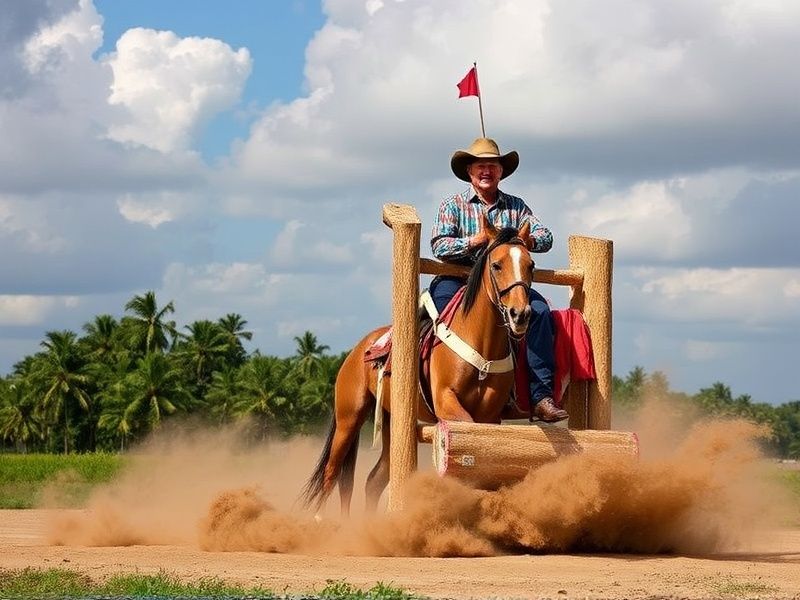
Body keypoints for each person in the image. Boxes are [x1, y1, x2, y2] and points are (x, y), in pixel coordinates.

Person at [429, 137, 568, 422]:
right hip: (458, 279)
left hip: (506, 283)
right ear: (469, 171)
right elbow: (439, 246)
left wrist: (524, 240)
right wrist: (476, 240)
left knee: (539, 312)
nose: (486, 171)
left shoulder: (517, 207)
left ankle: (538, 396)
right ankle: (417, 379)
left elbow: (546, 236)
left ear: (501, 172)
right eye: (480, 166)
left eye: (492, 166)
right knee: (435, 318)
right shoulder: (452, 205)